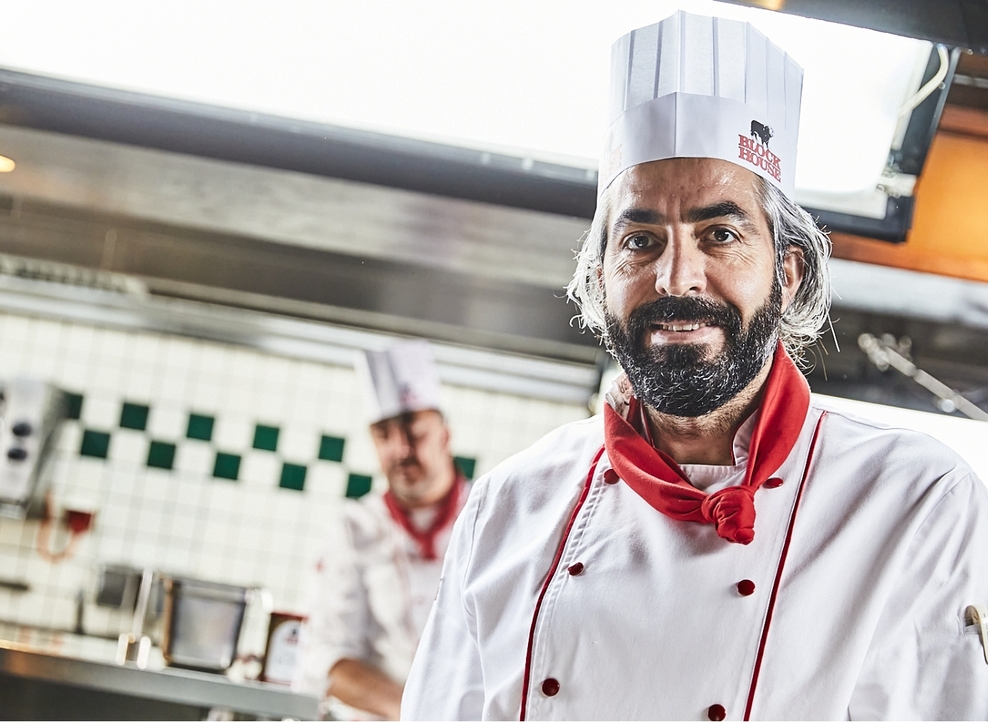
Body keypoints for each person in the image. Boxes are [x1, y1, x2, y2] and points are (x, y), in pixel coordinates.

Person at [401, 11, 988, 721]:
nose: (676, 277)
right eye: (640, 240)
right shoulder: (509, 506)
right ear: (600, 279)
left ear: (788, 274)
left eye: (720, 234)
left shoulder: (913, 498)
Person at [294, 340, 469, 720]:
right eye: (383, 435)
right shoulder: (353, 528)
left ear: (444, 435)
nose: (400, 450)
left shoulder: (489, 517)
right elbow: (327, 655)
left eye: (414, 432)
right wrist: (417, 714)